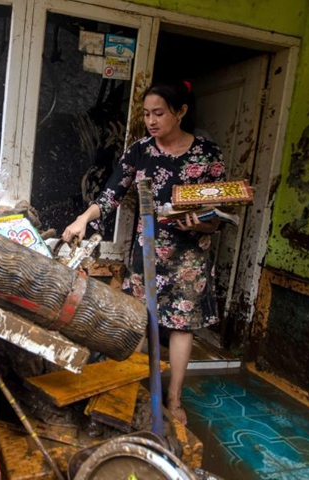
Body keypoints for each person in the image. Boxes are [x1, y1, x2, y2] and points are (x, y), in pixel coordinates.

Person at [61, 80, 226, 425]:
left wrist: (203, 224)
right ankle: (130, 390)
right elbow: (109, 196)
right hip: (148, 251)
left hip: (190, 255)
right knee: (140, 319)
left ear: (180, 112)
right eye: (147, 114)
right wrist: (81, 220)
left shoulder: (207, 155)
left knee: (182, 327)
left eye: (159, 113)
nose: (151, 121)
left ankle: (174, 398)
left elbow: (218, 210)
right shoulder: (140, 151)